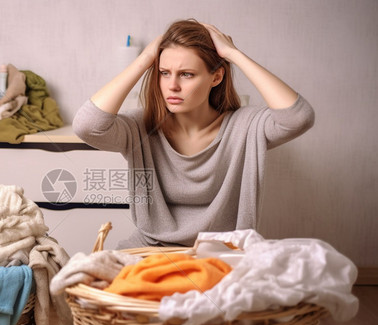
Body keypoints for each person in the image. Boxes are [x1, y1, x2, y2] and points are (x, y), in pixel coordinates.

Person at [72, 19, 315, 249]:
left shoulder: (245, 126)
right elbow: (87, 126)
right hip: (151, 249)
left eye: (186, 74)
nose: (172, 85)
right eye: (164, 73)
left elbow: (299, 117)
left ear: (216, 77)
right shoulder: (141, 127)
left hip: (225, 251)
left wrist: (233, 54)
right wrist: (145, 58)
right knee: (93, 282)